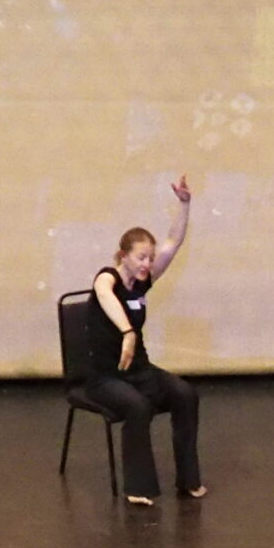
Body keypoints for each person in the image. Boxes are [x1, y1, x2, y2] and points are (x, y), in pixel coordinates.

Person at [83, 177, 202, 507]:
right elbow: (104, 295)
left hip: (139, 370)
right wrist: (128, 331)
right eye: (141, 258)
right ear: (123, 256)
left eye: (150, 258)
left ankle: (189, 479)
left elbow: (173, 243)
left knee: (185, 394)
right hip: (105, 377)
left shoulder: (142, 281)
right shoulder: (108, 276)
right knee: (138, 407)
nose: (148, 264)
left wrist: (184, 204)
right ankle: (138, 487)